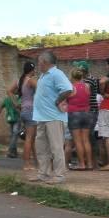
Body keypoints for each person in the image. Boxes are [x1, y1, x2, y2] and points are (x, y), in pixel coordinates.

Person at [30, 51, 73, 185]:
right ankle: (43, 173)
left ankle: (59, 175)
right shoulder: (44, 75)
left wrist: (58, 100)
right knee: (42, 147)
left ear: (45, 62)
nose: (38, 64)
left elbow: (68, 89)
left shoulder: (56, 74)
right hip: (42, 117)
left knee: (56, 147)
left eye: (39, 61)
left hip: (54, 117)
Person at [10, 62, 38, 171]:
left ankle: (36, 162)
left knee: (32, 139)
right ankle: (27, 163)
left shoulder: (20, 80)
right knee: (30, 138)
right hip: (31, 110)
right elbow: (41, 90)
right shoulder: (31, 80)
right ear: (32, 70)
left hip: (24, 110)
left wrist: (16, 104)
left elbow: (9, 91)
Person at [73, 60, 100, 166]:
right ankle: (91, 162)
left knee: (88, 137)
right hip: (91, 110)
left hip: (89, 111)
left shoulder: (87, 81)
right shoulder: (92, 79)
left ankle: (91, 162)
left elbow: (83, 96)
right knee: (88, 137)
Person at [67, 67, 93, 170]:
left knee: (78, 141)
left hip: (74, 114)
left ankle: (82, 164)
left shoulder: (71, 87)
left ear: (72, 76)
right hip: (87, 114)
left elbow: (66, 99)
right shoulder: (87, 86)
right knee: (86, 140)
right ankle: (90, 164)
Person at [0, 92, 21, 158]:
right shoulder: (17, 98)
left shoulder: (7, 99)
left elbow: (0, 107)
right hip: (17, 118)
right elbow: (19, 108)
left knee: (13, 135)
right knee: (15, 134)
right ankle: (10, 150)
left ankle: (14, 153)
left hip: (9, 119)